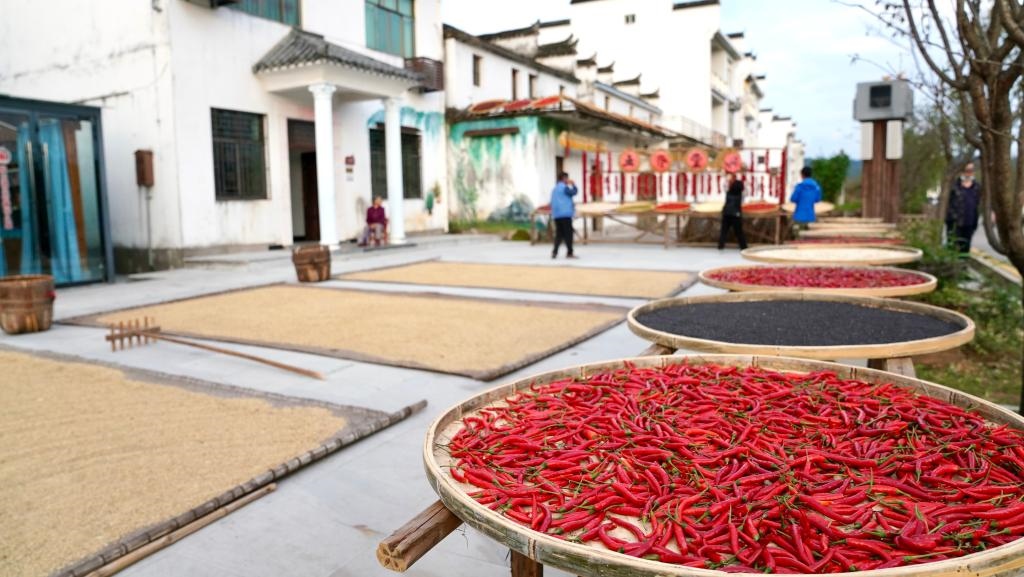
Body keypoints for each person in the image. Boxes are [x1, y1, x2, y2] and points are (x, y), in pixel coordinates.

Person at [946, 162, 981, 253]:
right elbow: (948, 203)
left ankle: (963, 265)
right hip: (955, 223)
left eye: (971, 171)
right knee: (953, 247)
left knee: (965, 248)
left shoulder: (976, 187)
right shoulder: (954, 186)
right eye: (967, 171)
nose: (969, 173)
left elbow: (978, 203)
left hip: (969, 223)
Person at [550, 171, 578, 259]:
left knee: (559, 234)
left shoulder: (554, 189)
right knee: (568, 234)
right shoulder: (564, 188)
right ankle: (570, 252)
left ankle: (554, 252)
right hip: (565, 214)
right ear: (564, 178)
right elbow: (574, 192)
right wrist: (573, 184)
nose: (568, 180)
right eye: (567, 178)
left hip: (557, 215)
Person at [718, 173, 748, 250]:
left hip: (727, 213)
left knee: (724, 231)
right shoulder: (741, 194)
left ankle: (720, 246)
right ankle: (743, 247)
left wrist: (727, 180)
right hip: (736, 214)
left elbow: (724, 186)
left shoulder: (728, 192)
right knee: (739, 232)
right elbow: (746, 191)